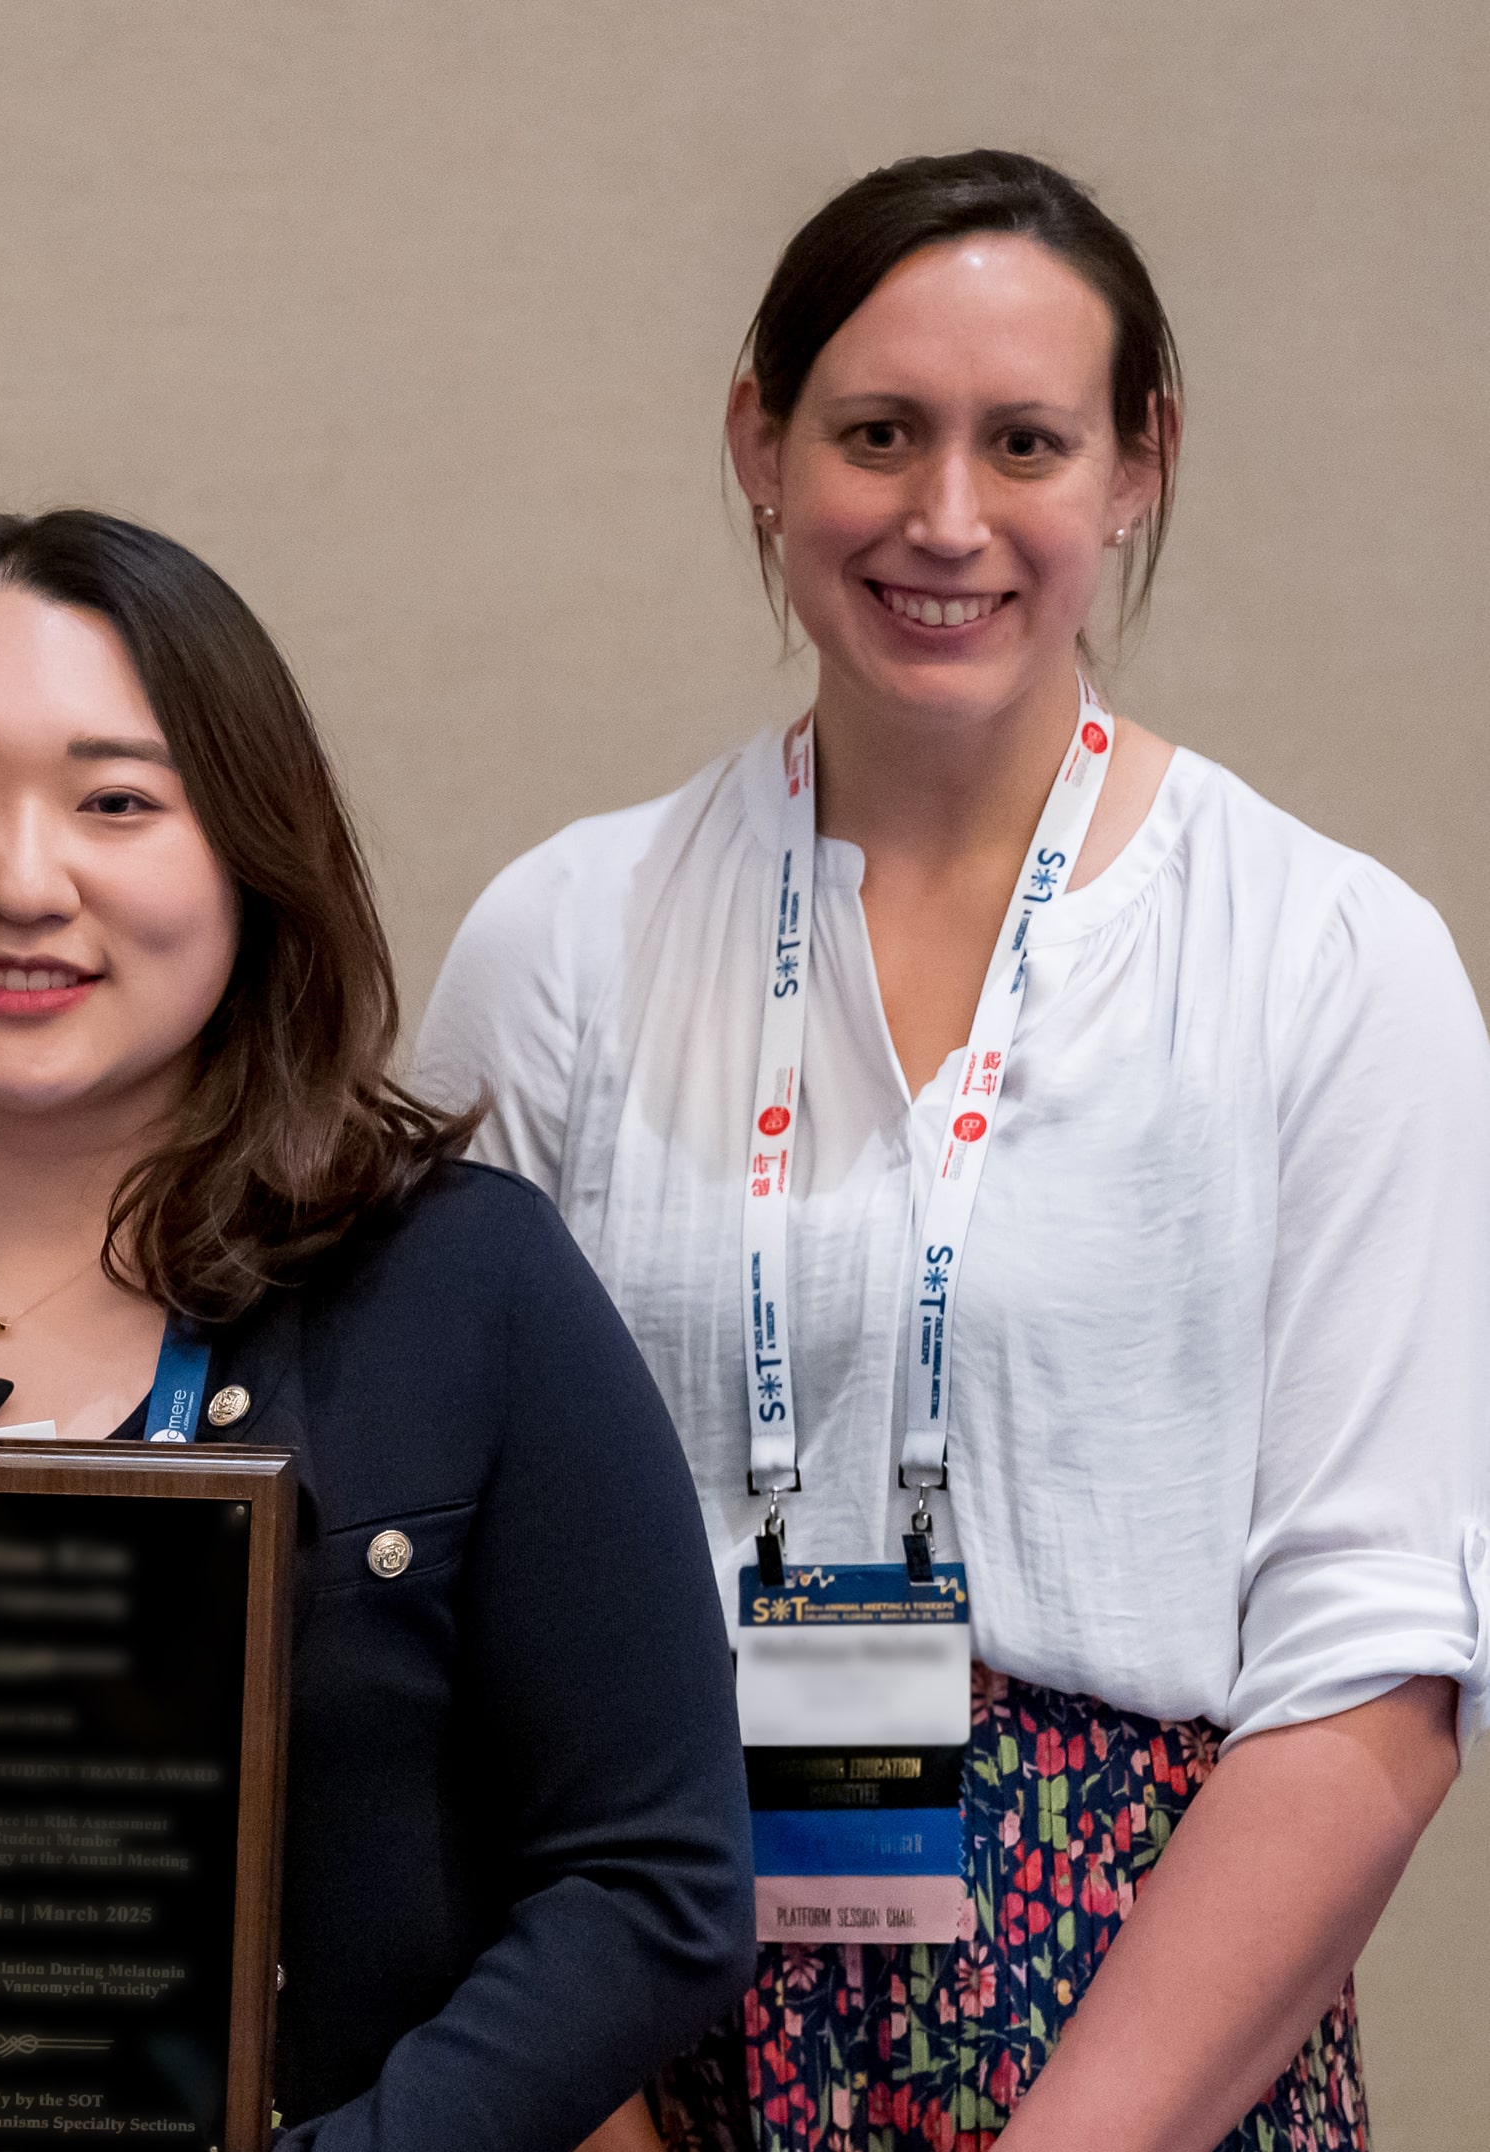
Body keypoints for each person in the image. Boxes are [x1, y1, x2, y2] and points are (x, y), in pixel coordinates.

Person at [419, 150, 1486, 2152]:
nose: (946, 518)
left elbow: (1375, 1665)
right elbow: (428, 1592)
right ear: (759, 440)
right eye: (878, 433)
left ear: (1138, 464)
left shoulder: (1336, 964)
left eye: (1027, 442)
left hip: (1151, 2040)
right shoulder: (563, 942)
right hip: (625, 2008)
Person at [0, 509, 757, 2150]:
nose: (23, 880)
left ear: (248, 861)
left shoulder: (463, 1286)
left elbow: (652, 1889)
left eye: (116, 802)